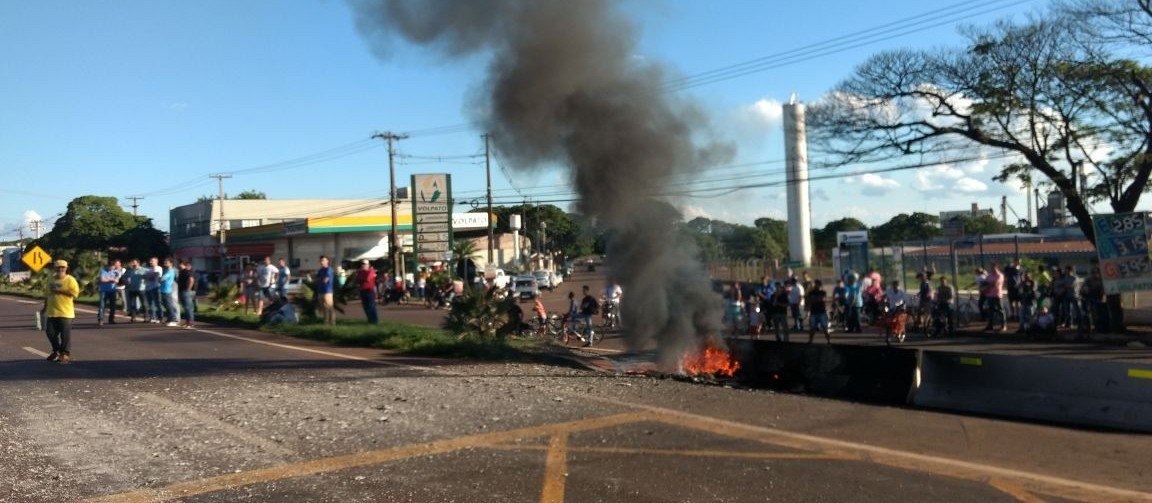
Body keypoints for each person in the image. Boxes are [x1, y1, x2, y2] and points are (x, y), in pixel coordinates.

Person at [44, 259, 80, 363]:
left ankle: (65, 353)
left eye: (63, 267)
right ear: (55, 268)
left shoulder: (70, 280)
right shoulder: (50, 279)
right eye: (59, 267)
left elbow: (75, 294)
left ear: (66, 268)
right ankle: (56, 351)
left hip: (65, 312)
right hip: (52, 311)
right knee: (50, 333)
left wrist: (60, 291)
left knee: (65, 335)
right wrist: (44, 307)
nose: (61, 269)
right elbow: (47, 295)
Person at [97, 259, 122, 326]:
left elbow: (117, 280)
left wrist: (108, 279)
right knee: (102, 305)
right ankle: (100, 319)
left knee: (112, 306)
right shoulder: (103, 271)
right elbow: (102, 280)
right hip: (104, 291)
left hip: (112, 291)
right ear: (107, 266)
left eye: (113, 266)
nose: (111, 267)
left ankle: (111, 319)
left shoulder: (116, 272)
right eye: (110, 266)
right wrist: (111, 279)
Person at [983, 263, 1007, 332]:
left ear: (996, 267)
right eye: (991, 267)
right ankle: (990, 325)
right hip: (989, 295)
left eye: (993, 267)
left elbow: (995, 284)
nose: (992, 269)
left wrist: (987, 285)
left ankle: (1003, 325)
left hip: (997, 295)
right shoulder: (989, 275)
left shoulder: (1000, 275)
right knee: (990, 310)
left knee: (1000, 310)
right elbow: (985, 283)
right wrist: (986, 286)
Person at [806, 279, 830, 344]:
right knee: (812, 328)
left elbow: (823, 299)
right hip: (813, 312)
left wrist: (814, 299)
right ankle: (810, 341)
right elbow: (809, 300)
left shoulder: (823, 292)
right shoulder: (811, 292)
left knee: (825, 328)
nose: (817, 285)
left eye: (818, 284)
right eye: (816, 284)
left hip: (821, 312)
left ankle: (828, 341)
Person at [355, 260, 378, 324]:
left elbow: (368, 279)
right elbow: (357, 280)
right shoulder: (360, 272)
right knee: (366, 307)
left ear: (368, 265)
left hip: (369, 291)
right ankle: (370, 320)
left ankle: (374, 320)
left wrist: (361, 280)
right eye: (362, 264)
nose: (363, 265)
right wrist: (362, 280)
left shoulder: (371, 271)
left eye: (365, 264)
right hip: (362, 290)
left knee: (371, 306)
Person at [315, 255, 336, 325]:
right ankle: (325, 322)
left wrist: (320, 280)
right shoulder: (320, 270)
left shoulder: (329, 269)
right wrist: (320, 280)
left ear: (327, 261)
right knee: (323, 308)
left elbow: (325, 280)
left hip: (327, 291)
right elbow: (317, 279)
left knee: (329, 307)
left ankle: (332, 322)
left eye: (324, 260)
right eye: (321, 260)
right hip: (320, 291)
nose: (322, 262)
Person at [177, 260, 197, 328]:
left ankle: (190, 323)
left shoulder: (187, 271)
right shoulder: (182, 272)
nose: (179, 265)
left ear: (185, 265)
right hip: (183, 291)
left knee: (188, 307)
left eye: (180, 264)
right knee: (186, 307)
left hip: (186, 292)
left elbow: (191, 280)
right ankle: (187, 321)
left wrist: (188, 289)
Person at [160, 258, 179, 326]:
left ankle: (173, 319)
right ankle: (169, 318)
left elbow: (162, 279)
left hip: (167, 290)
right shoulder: (166, 270)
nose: (165, 264)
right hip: (163, 289)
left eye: (166, 262)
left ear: (171, 263)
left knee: (169, 305)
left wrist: (160, 278)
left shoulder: (170, 271)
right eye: (164, 262)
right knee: (165, 305)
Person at [143, 257, 163, 323]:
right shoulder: (148, 269)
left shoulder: (158, 268)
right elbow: (144, 277)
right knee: (150, 304)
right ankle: (152, 317)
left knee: (157, 303)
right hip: (148, 288)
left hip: (155, 287)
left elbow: (154, 276)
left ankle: (160, 317)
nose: (150, 262)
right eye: (150, 261)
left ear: (156, 262)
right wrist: (149, 276)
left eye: (152, 261)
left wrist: (149, 276)